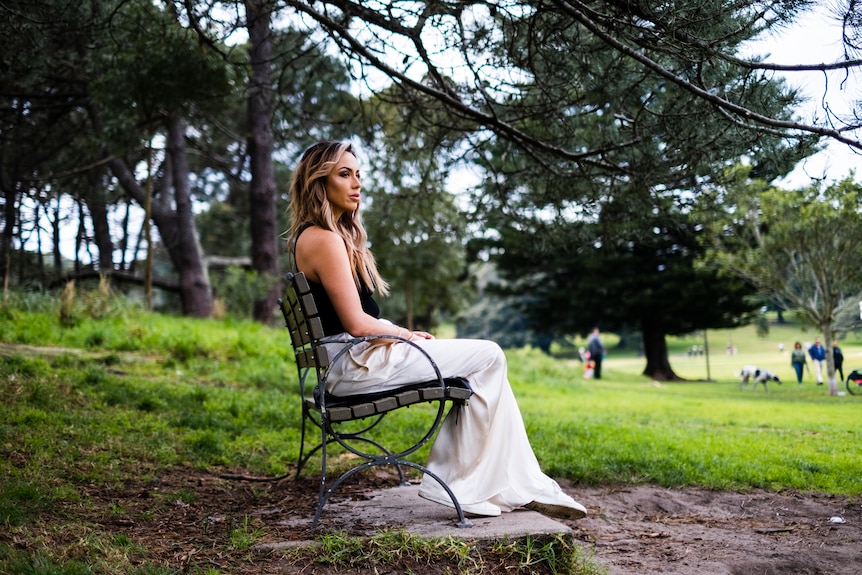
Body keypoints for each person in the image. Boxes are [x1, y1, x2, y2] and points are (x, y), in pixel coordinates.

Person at [286, 141, 586, 520]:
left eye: (358, 174)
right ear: (318, 181)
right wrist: (405, 335)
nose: (356, 183)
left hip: (351, 362)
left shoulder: (311, 238)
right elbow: (358, 324)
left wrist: (401, 332)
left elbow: (352, 322)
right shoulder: (325, 240)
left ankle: (518, 482)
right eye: (344, 174)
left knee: (486, 371)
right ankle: (462, 481)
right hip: (356, 367)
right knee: (490, 355)